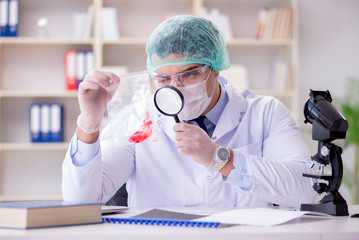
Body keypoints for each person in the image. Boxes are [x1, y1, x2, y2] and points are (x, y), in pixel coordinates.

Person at [62, 15, 317, 208]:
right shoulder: (138, 118)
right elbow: (80, 201)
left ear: (216, 68)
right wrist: (89, 122)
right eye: (163, 79)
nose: (175, 89)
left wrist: (221, 159)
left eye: (190, 74)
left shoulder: (266, 113)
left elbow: (308, 188)